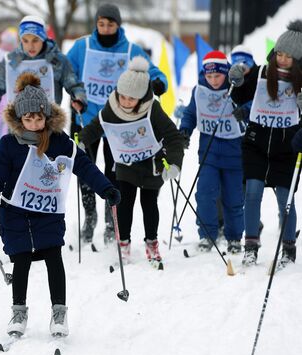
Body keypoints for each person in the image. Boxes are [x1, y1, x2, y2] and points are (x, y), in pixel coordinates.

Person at [0, 73, 120, 338]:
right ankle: (18, 311)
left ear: (47, 117)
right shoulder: (9, 144)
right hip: (16, 214)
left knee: (54, 258)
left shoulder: (60, 142)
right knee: (21, 262)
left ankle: (59, 312)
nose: (33, 123)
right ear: (20, 119)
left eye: (38, 118)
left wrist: (105, 188)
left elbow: (84, 166)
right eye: (27, 119)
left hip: (48, 214)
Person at [66, 3, 167, 246]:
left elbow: (154, 72)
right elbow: (67, 72)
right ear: (96, 24)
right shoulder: (83, 46)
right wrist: (74, 93)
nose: (105, 28)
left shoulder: (131, 50)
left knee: (116, 172)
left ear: (118, 25)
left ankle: (112, 220)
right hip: (87, 117)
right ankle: (90, 215)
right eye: (101, 24)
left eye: (110, 24)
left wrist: (157, 83)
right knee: (85, 170)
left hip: (120, 122)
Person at [79, 56, 183, 264]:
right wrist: (81, 141)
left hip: (152, 164)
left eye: (131, 99)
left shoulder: (152, 109)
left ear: (142, 97)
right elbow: (96, 126)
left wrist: (173, 163)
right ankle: (123, 243)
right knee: (125, 203)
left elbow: (173, 137)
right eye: (122, 96)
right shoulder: (113, 106)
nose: (125, 102)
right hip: (126, 163)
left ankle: (151, 242)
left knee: (149, 203)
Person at [229, 20, 302, 268]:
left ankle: (288, 248)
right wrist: (236, 80)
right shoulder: (261, 73)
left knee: (286, 199)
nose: (281, 59)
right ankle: (250, 245)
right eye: (279, 53)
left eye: (288, 56)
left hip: (286, 150)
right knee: (252, 193)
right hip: (256, 144)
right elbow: (238, 95)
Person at [179, 50, 244, 253]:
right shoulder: (199, 90)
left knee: (233, 199)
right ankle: (207, 235)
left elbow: (251, 107)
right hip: (209, 154)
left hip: (234, 155)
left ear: (226, 72)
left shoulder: (236, 89)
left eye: (218, 75)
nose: (214, 80)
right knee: (205, 194)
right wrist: (184, 132)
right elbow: (191, 113)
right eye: (209, 76)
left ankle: (234, 237)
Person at [0, 15, 86, 125]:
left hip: (48, 125)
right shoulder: (12, 61)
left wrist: (79, 99)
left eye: (35, 40)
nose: (30, 46)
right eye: (25, 41)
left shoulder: (57, 60)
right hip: (18, 127)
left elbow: (73, 85)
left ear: (43, 38)